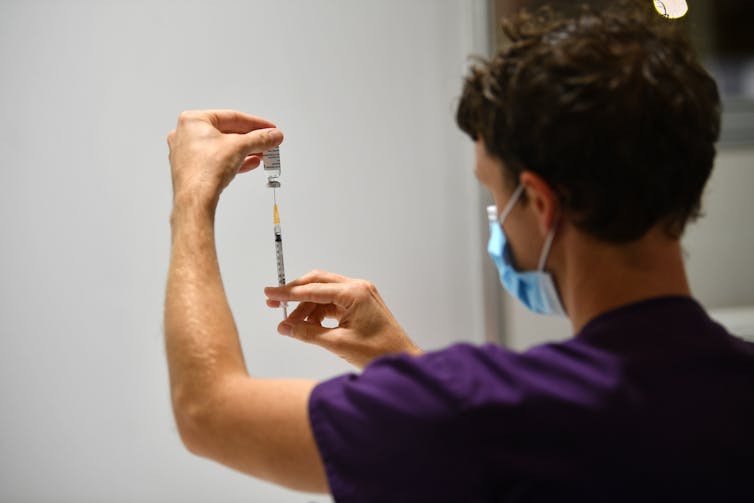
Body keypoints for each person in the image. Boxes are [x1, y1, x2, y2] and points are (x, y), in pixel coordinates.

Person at [164, 3, 754, 501]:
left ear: (542, 205)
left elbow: (209, 412)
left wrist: (193, 197)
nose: (498, 220)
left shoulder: (494, 415)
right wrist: (400, 360)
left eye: (496, 193)